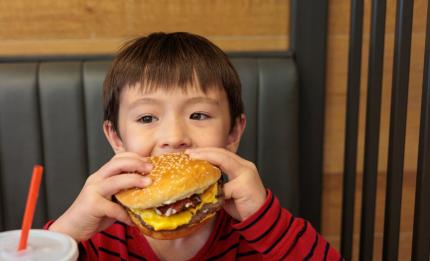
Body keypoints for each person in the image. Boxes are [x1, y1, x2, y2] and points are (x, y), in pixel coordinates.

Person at [46, 32, 343, 260]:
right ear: (117, 140)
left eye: (198, 115)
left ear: (233, 134)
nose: (174, 136)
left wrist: (267, 219)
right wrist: (65, 233)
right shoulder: (99, 238)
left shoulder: (260, 233)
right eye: (147, 117)